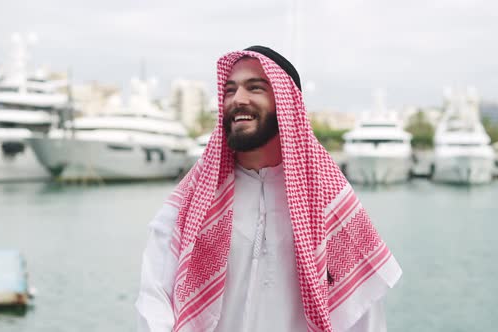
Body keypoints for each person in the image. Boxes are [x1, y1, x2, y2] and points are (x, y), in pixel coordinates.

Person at [136, 46, 402, 332]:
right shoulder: (193, 198)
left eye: (255, 88)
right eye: (230, 90)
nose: (238, 99)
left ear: (286, 103)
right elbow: (155, 298)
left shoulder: (328, 201)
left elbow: (361, 311)